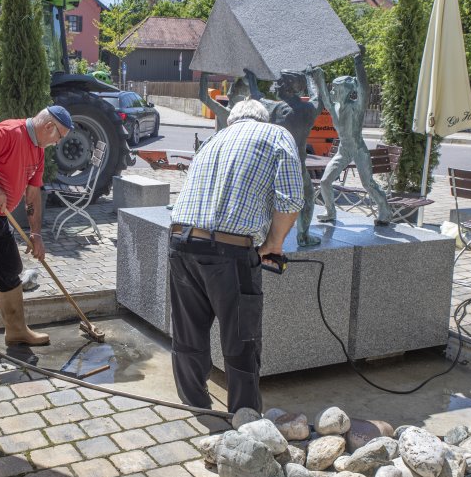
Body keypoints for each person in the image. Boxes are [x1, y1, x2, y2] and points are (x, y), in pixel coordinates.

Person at [168, 98, 305, 413]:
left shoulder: (214, 139)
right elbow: (290, 198)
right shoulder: (275, 134)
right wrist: (273, 243)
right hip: (229, 250)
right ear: (264, 118)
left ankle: (196, 406)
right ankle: (244, 418)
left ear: (232, 120)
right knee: (241, 340)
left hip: (180, 242)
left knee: (188, 333)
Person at [0, 105, 72, 346]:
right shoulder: (9, 132)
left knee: (10, 272)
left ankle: (17, 332)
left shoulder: (38, 150)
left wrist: (36, 234)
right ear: (49, 126)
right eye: (59, 137)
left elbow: (33, 194)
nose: (57, 143)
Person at [310, 46, 391, 224]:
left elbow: (364, 89)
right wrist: (319, 77)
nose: (332, 92)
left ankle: (384, 211)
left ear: (346, 91)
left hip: (358, 149)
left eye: (336, 89)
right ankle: (330, 211)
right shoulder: (335, 107)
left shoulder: (356, 107)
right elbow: (324, 96)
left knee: (367, 183)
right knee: (325, 182)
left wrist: (358, 61)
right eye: (332, 89)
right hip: (343, 150)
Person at [248, 69, 323, 246]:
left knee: (266, 199)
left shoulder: (272, 107)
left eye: (279, 83)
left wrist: (252, 78)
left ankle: (260, 235)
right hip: (296, 165)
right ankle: (303, 236)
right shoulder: (307, 110)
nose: (276, 87)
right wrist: (311, 77)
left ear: (288, 87)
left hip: (271, 163)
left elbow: (256, 95)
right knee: (307, 197)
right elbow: (318, 98)